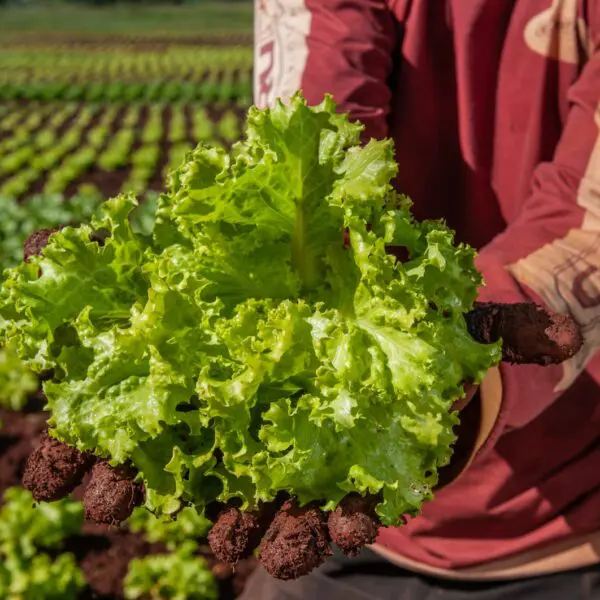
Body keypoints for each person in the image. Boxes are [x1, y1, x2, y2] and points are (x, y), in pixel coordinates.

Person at [243, 0, 600, 598]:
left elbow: (586, 218)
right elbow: (307, 137)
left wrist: (459, 354)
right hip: (349, 514)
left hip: (567, 528)